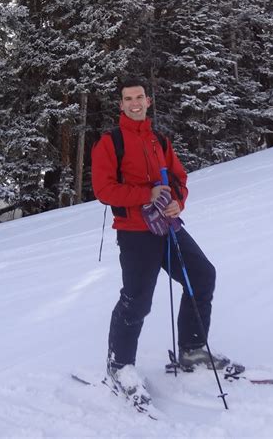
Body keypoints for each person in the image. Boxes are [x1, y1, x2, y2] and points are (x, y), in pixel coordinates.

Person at [91, 76, 228, 403]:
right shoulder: (111, 142)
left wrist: (178, 199)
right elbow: (103, 190)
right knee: (137, 298)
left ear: (148, 101)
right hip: (135, 232)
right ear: (121, 104)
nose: (135, 103)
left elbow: (178, 177)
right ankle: (119, 366)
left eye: (140, 97)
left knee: (202, 275)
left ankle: (193, 350)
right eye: (128, 99)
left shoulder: (159, 140)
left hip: (167, 226)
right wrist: (146, 194)